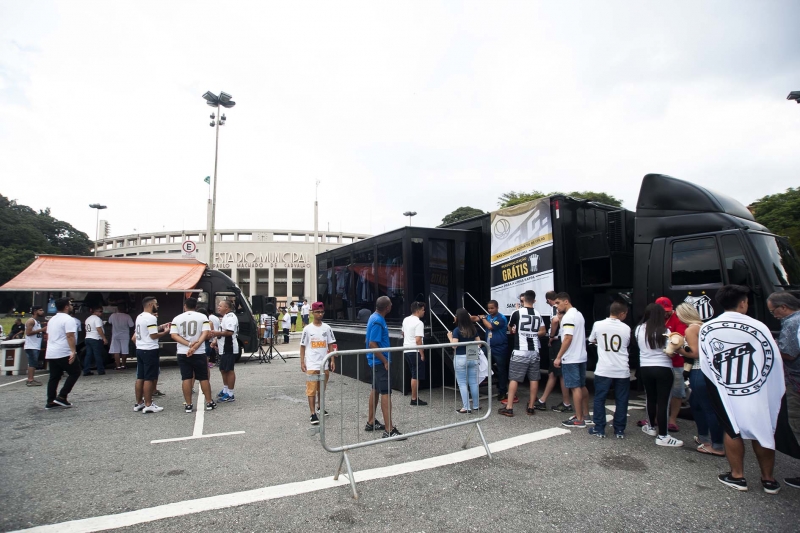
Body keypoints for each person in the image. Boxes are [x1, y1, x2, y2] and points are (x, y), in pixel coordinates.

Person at [701, 285, 785, 493]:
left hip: (725, 388)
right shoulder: (759, 327)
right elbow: (773, 359)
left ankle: (737, 476)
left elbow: (706, 362)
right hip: (756, 388)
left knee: (732, 430)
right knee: (763, 430)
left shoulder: (708, 328)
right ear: (743, 303)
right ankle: (769, 479)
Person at [676, 303, 725, 456]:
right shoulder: (705, 326)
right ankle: (704, 437)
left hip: (698, 370)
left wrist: (679, 349)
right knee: (697, 405)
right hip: (710, 370)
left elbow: (695, 353)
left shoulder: (691, 329)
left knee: (708, 408)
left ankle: (717, 445)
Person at [636, 303, 683, 447]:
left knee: (650, 398)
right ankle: (663, 435)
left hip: (645, 368)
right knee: (663, 402)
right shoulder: (666, 330)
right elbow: (672, 350)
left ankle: (650, 427)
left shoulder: (638, 329)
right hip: (663, 368)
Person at [766, 291, 800, 489]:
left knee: (797, 424)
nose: (775, 316)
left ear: (784, 308)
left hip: (796, 381)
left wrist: (773, 345)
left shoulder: (791, 322)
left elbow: (788, 352)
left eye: (773, 312)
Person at [587, 301, 631, 438]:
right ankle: (619, 430)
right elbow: (627, 344)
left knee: (600, 398)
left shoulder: (598, 325)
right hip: (622, 368)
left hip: (604, 368)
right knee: (622, 399)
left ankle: (599, 428)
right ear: (622, 313)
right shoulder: (626, 328)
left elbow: (591, 339)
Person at [499, 290, 546, 417]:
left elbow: (510, 327)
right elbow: (543, 330)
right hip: (534, 350)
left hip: (520, 350)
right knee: (534, 378)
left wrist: (517, 330)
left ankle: (509, 407)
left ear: (523, 299)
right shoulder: (538, 314)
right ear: (534, 301)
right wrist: (532, 334)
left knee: (514, 378)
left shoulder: (517, 312)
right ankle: (531, 406)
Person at [365, 296, 402, 438]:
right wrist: (385, 361)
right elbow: (372, 344)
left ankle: (371, 421)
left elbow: (368, 339)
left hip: (376, 362)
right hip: (380, 363)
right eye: (390, 304)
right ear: (387, 307)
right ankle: (389, 429)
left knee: (375, 390)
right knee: (386, 393)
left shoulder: (373, 318)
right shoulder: (378, 321)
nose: (392, 306)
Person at [170, 297, 216, 413]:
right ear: (196, 306)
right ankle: (209, 402)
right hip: (199, 351)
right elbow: (205, 332)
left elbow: (174, 335)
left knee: (186, 377)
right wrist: (195, 346)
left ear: (185, 306)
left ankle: (189, 404)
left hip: (182, 351)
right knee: (203, 378)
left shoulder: (177, 318)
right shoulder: (202, 317)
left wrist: (189, 344)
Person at [553, 293, 591, 428]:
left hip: (571, 357)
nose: (556, 305)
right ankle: (586, 415)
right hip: (581, 355)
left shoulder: (568, 316)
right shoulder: (579, 314)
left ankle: (579, 419)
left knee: (575, 388)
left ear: (566, 301)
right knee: (581, 385)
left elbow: (568, 338)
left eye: (558, 303)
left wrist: (558, 356)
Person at [300, 302, 337, 424]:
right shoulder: (307, 329)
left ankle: (320, 407)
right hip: (311, 364)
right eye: (317, 312)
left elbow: (331, 344)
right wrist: (302, 362)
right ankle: (312, 413)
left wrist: (332, 360)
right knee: (311, 389)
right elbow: (302, 346)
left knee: (322, 388)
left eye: (322, 312)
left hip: (324, 364)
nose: (320, 314)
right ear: (312, 313)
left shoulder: (327, 328)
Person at [655, 297, 688, 433]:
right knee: (659, 392)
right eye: (663, 311)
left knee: (677, 392)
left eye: (668, 311)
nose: (666, 313)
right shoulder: (654, 320)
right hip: (660, 361)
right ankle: (657, 417)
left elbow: (679, 337)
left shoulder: (677, 318)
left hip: (676, 362)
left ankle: (672, 419)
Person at [134, 296, 171, 414]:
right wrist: (165, 332)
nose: (157, 306)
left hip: (140, 348)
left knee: (140, 376)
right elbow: (153, 335)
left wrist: (161, 326)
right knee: (149, 377)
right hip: (150, 349)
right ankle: (148, 404)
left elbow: (147, 331)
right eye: (156, 304)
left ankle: (139, 402)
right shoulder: (150, 318)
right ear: (150, 305)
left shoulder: (140, 316)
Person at [537, 290, 572, 412]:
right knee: (553, 373)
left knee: (559, 373)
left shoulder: (555, 308)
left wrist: (551, 337)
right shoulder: (571, 312)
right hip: (562, 340)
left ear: (548, 300)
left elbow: (555, 320)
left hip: (557, 341)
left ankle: (566, 403)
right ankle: (542, 400)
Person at [44, 298, 81, 409]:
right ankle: (62, 396)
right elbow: (70, 336)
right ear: (66, 307)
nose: (71, 306)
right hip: (63, 351)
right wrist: (73, 351)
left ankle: (50, 400)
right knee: (75, 372)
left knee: (54, 377)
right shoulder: (68, 319)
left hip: (52, 351)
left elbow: (49, 336)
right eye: (70, 304)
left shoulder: (52, 320)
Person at [474, 300, 509, 403]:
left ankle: (502, 391)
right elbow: (476, 318)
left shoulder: (501, 318)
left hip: (500, 348)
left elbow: (490, 327)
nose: (490, 310)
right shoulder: (488, 316)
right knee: (478, 360)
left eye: (492, 308)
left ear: (497, 307)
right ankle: (476, 385)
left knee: (501, 370)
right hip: (488, 347)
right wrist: (464, 318)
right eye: (488, 308)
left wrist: (483, 317)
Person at [449, 308, 482, 414]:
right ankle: (476, 405)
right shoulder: (473, 329)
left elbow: (454, 345)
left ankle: (466, 407)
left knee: (462, 383)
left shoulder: (457, 330)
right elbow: (479, 343)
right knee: (473, 382)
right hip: (472, 355)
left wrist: (449, 337)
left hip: (460, 357)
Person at [210, 299, 239, 402]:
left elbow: (229, 332)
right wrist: (216, 341)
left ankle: (230, 394)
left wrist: (217, 333)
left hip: (229, 347)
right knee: (223, 369)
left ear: (227, 308)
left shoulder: (230, 317)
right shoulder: (226, 317)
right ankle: (225, 389)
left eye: (220, 306)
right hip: (224, 347)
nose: (218, 307)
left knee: (229, 370)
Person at [403, 301, 427, 406]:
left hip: (406, 349)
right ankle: (414, 398)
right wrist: (422, 354)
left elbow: (403, 333)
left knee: (413, 373)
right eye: (423, 310)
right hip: (415, 350)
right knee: (415, 375)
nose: (424, 312)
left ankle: (414, 397)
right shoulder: (419, 323)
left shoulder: (405, 319)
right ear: (418, 310)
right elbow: (418, 340)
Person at [24, 306, 47, 386]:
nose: (42, 311)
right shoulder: (31, 321)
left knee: (34, 363)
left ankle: (31, 379)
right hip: (31, 346)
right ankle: (30, 380)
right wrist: (42, 330)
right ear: (35, 311)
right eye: (40, 310)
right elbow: (28, 333)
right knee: (32, 363)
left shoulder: (37, 321)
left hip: (35, 345)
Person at [83, 306, 108, 376]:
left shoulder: (88, 319)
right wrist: (104, 338)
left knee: (88, 355)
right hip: (96, 338)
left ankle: (86, 370)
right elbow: (98, 328)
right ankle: (100, 370)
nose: (101, 313)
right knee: (98, 355)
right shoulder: (97, 319)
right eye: (100, 311)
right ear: (95, 312)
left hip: (88, 337)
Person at [108, 304, 134, 370]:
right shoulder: (127, 316)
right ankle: (123, 365)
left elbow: (109, 322)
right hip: (125, 335)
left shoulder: (113, 315)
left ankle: (118, 366)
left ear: (117, 309)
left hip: (115, 335)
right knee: (124, 350)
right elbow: (131, 325)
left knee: (116, 351)